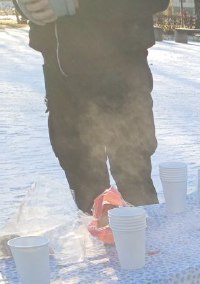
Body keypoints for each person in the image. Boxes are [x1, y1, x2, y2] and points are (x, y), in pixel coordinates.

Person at [19, 0, 169, 214]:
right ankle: (99, 239)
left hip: (121, 73)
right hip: (61, 76)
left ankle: (147, 242)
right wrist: (26, 5)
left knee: (134, 182)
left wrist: (77, 3)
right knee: (85, 185)